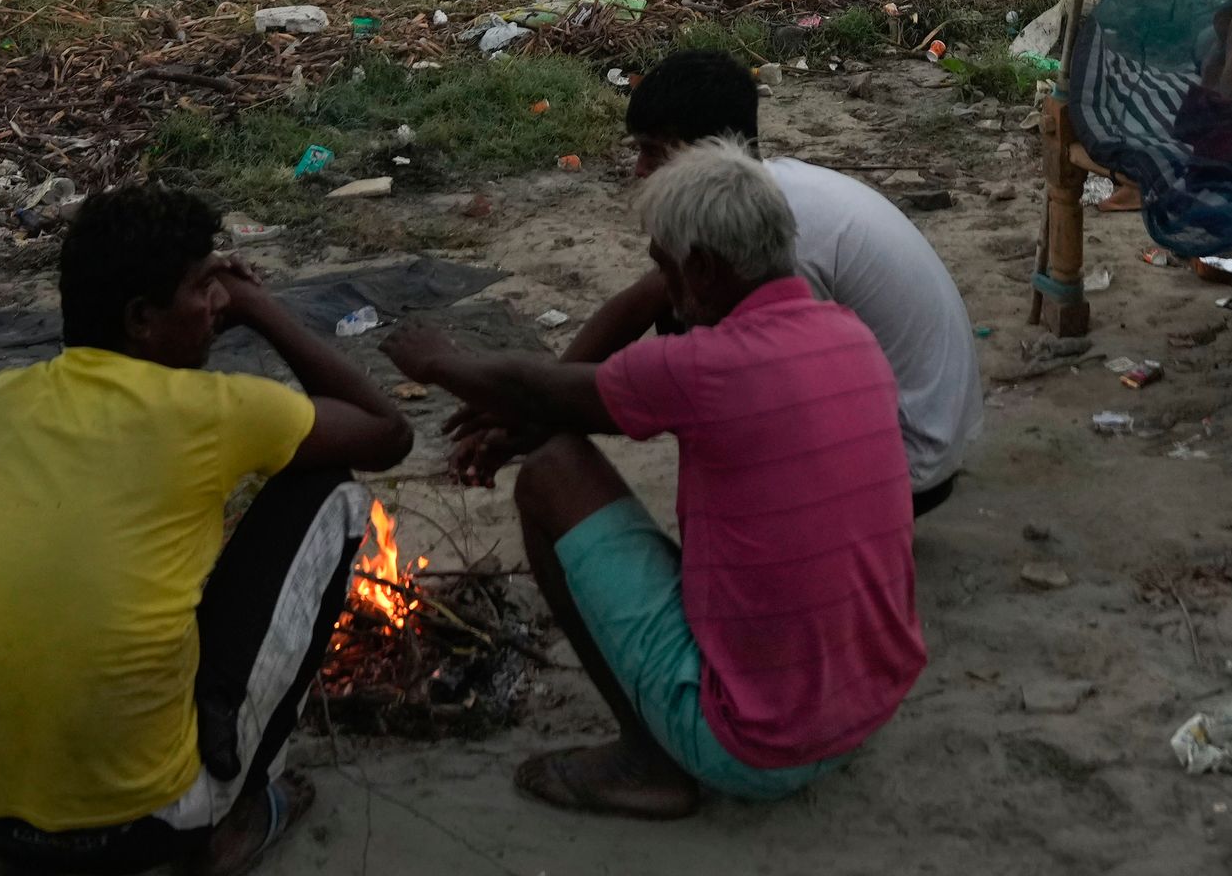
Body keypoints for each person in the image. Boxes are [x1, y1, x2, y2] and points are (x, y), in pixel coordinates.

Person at [387, 139, 923, 821]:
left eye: (664, 269)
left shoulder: (707, 368)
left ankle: (646, 759)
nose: (663, 290)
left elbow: (546, 388)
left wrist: (438, 361)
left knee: (551, 473)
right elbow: (562, 396)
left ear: (699, 268)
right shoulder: (848, 333)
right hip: (868, 707)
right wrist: (517, 408)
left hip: (756, 747)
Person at [0, 186, 415, 873]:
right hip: (136, 831)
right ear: (142, 319)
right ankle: (233, 814)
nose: (218, 303)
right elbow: (388, 433)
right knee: (329, 491)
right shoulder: (214, 411)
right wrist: (263, 309)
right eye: (204, 287)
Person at [549, 48, 982, 512]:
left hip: (909, 464)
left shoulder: (786, 234)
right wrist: (547, 400)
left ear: (706, 154)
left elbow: (769, 381)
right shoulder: (759, 201)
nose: (638, 169)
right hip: (919, 432)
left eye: (652, 151)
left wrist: (536, 410)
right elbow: (644, 297)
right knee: (683, 310)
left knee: (697, 347)